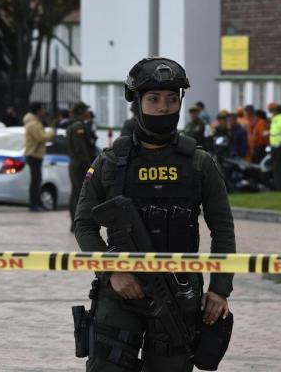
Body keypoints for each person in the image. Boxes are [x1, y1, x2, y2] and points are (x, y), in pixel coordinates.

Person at [74, 57, 236, 372]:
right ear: (136, 102)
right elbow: (84, 225)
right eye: (153, 99)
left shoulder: (200, 163)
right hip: (121, 291)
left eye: (172, 99)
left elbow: (223, 230)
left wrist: (220, 289)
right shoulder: (110, 162)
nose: (164, 107)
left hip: (179, 293)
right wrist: (113, 273)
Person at [66, 102, 95, 232]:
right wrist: (90, 165)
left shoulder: (75, 125)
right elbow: (81, 149)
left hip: (75, 164)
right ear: (82, 112)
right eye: (86, 110)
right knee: (79, 194)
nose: (88, 113)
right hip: (80, 165)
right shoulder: (78, 127)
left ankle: (75, 222)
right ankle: (77, 223)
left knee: (76, 193)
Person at [23, 102, 55, 212]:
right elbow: (41, 137)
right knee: (35, 181)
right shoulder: (33, 124)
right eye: (42, 109)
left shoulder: (35, 122)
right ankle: (34, 205)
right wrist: (51, 132)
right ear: (37, 110)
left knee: (37, 180)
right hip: (34, 154)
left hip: (36, 154)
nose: (44, 111)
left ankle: (38, 203)